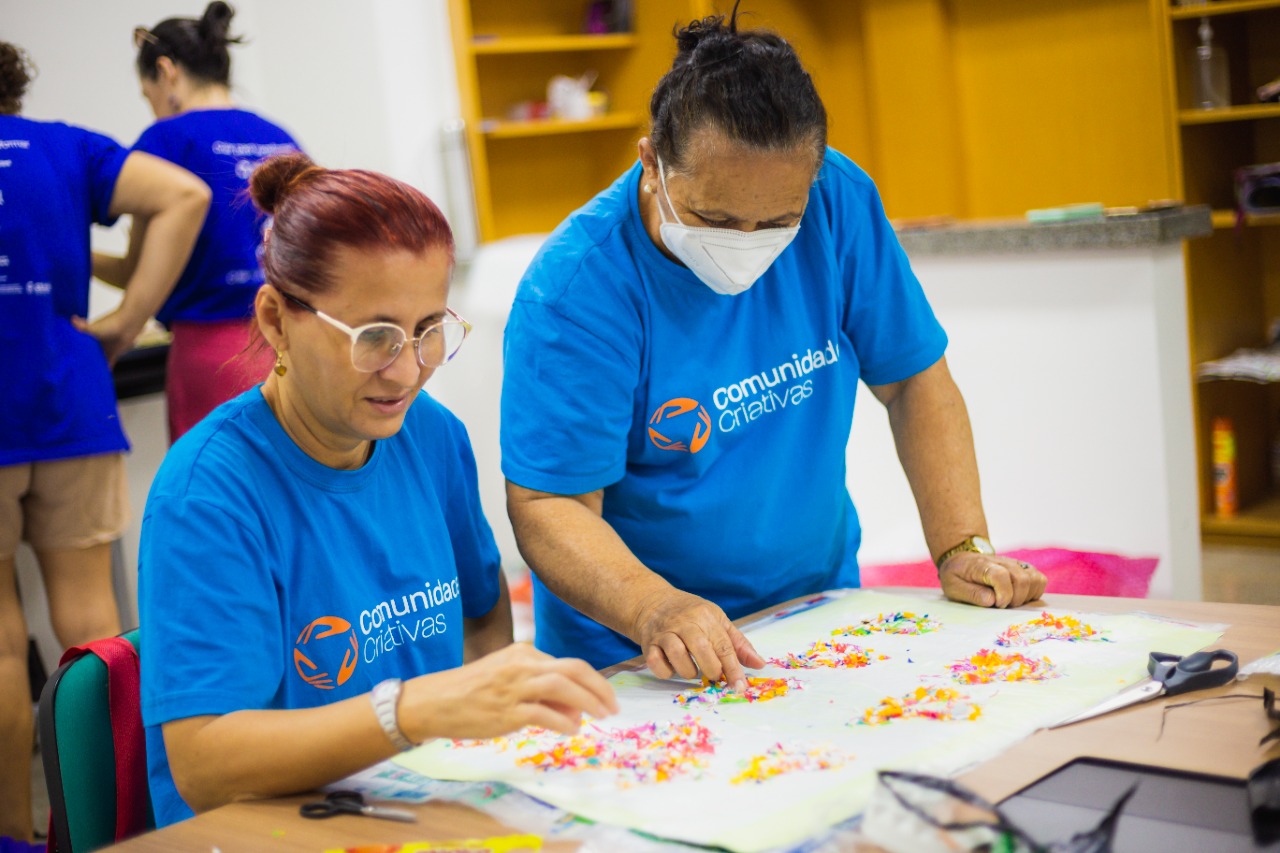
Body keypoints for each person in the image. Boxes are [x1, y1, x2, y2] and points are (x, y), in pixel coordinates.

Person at [500, 7, 1049, 688]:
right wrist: (655, 607)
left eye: (778, 221)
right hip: (635, 650)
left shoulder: (839, 200)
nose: (747, 243)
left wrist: (962, 545)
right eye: (715, 219)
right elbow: (550, 505)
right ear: (653, 163)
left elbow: (914, 382)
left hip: (815, 612)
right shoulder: (577, 290)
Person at [138, 153, 618, 827]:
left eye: (429, 331)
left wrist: (482, 725)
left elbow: (482, 619)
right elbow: (205, 764)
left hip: (409, 802)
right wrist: (412, 711)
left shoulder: (431, 437)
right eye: (375, 337)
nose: (407, 370)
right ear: (276, 321)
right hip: (264, 828)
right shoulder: (210, 495)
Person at [0, 41, 210, 845]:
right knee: (91, 621)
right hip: (68, 402)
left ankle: (15, 833)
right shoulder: (60, 145)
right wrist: (127, 319)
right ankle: (108, 825)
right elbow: (182, 195)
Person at [94, 1, 302, 442]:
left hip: (210, 354)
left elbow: (137, 271)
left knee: (214, 495)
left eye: (146, 93)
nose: (151, 106)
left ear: (166, 71)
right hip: (292, 344)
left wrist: (76, 255)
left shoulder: (164, 141)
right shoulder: (281, 138)